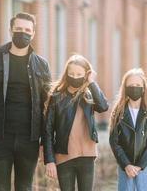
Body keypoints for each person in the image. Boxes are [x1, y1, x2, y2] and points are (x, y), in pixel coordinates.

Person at [0, 12, 51, 191]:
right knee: (0, 187)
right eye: (18, 29)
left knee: (24, 187)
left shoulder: (42, 65)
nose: (22, 33)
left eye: (27, 30)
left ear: (33, 33)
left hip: (29, 139)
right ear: (10, 30)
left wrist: (45, 145)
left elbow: (48, 107)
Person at [43, 54, 109, 191]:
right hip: (63, 156)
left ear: (86, 75)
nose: (75, 77)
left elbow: (103, 106)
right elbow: (47, 130)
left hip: (87, 156)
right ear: (66, 74)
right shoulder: (57, 97)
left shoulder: (89, 95)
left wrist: (91, 82)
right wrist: (49, 160)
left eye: (79, 74)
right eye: (71, 73)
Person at [109, 68, 147, 191]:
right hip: (125, 165)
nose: (135, 88)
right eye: (131, 85)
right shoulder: (118, 112)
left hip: (146, 165)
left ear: (143, 88)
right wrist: (126, 164)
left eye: (138, 85)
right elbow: (114, 141)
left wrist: (140, 165)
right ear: (125, 88)